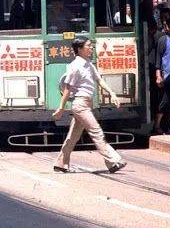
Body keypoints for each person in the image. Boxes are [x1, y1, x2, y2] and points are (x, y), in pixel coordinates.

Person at [53, 37, 126, 173]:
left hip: (86, 103)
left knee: (73, 136)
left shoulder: (89, 64)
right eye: (88, 46)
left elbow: (99, 80)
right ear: (79, 49)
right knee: (96, 131)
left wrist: (112, 93)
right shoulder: (75, 66)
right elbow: (67, 88)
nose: (91, 48)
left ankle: (60, 163)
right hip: (80, 104)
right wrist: (61, 108)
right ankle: (112, 161)